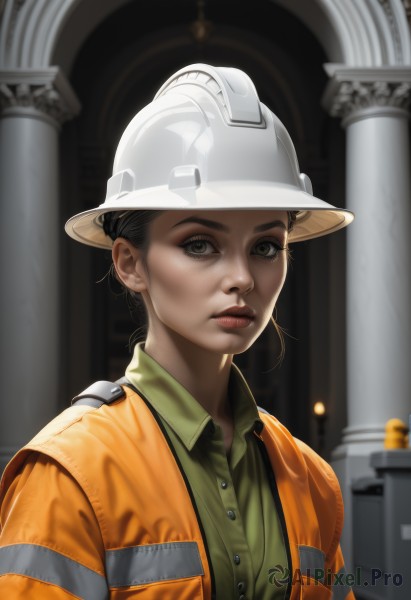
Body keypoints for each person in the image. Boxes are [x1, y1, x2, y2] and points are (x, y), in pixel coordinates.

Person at [0, 64, 355, 599]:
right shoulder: (69, 474)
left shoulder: (311, 479)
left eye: (266, 246)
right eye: (199, 244)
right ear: (129, 263)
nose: (241, 278)